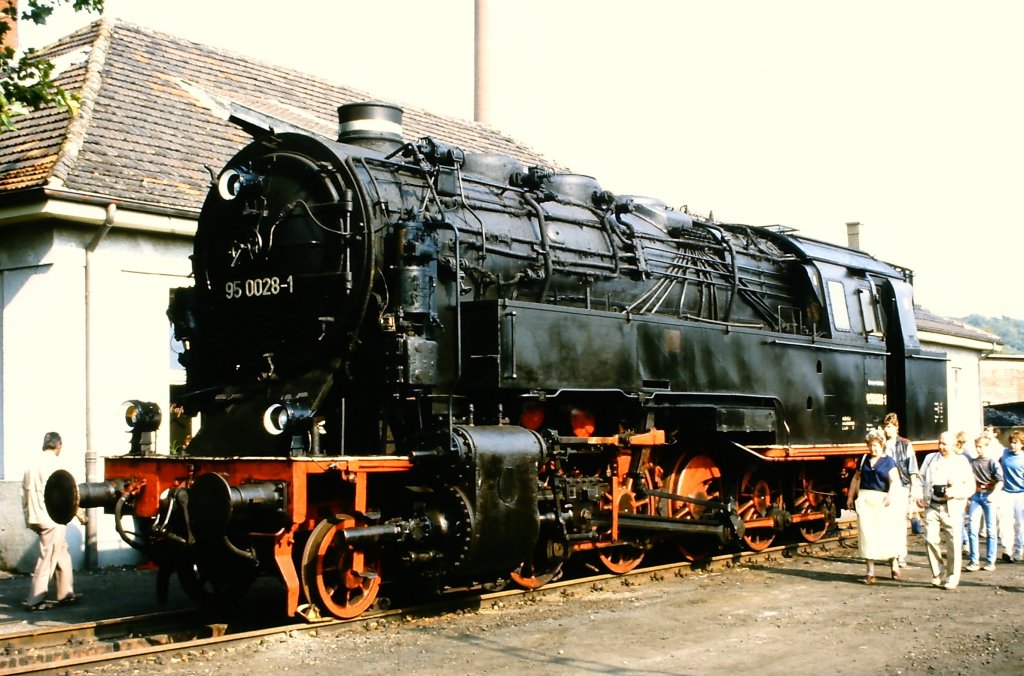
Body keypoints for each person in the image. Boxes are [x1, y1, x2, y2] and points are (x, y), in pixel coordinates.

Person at [22, 432, 83, 610]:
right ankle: (35, 599)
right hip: (52, 517)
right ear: (59, 445)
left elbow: (23, 494)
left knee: (61, 552)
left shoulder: (30, 465)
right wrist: (80, 515)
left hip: (36, 516)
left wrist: (29, 518)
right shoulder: (57, 465)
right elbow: (68, 493)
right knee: (48, 556)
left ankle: (66, 593)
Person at [918, 430, 975, 590]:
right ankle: (938, 572)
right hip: (932, 505)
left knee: (954, 543)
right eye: (939, 443)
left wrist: (955, 493)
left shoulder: (962, 461)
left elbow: (970, 486)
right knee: (930, 539)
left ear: (953, 445)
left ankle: (952, 577)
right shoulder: (930, 459)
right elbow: (920, 479)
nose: (941, 446)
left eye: (944, 444)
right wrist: (917, 495)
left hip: (952, 508)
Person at [847, 429, 902, 583]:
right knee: (867, 535)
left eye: (876, 446)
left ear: (882, 445)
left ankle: (894, 564)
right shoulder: (863, 459)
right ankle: (870, 572)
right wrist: (851, 496)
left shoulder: (889, 461)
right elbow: (856, 478)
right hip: (865, 499)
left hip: (882, 500)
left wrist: (891, 495)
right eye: (871, 445)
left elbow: (895, 481)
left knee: (885, 534)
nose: (873, 449)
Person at [882, 413, 919, 567]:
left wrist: (913, 488)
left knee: (899, 522)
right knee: (887, 522)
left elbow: (912, 468)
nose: (886, 430)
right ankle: (891, 553)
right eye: (885, 427)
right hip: (884, 487)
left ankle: (901, 554)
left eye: (889, 427)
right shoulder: (881, 445)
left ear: (896, 428)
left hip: (901, 486)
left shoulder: (906, 444)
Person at [964, 434, 1004, 571]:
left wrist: (994, 494)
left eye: (980, 447)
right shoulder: (973, 463)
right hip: (975, 495)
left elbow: (1000, 480)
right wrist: (968, 498)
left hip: (989, 495)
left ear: (987, 447)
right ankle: (974, 560)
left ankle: (990, 560)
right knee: (972, 529)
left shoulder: (993, 463)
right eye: (977, 447)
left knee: (991, 530)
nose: (978, 449)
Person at [999, 430, 1024, 563]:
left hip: (1021, 493)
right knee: (1005, 522)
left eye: (1016, 443)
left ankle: (1019, 551)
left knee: (1020, 524)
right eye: (1012, 442)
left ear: (1022, 444)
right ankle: (1007, 549)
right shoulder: (1005, 453)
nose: (1013, 445)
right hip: (1006, 492)